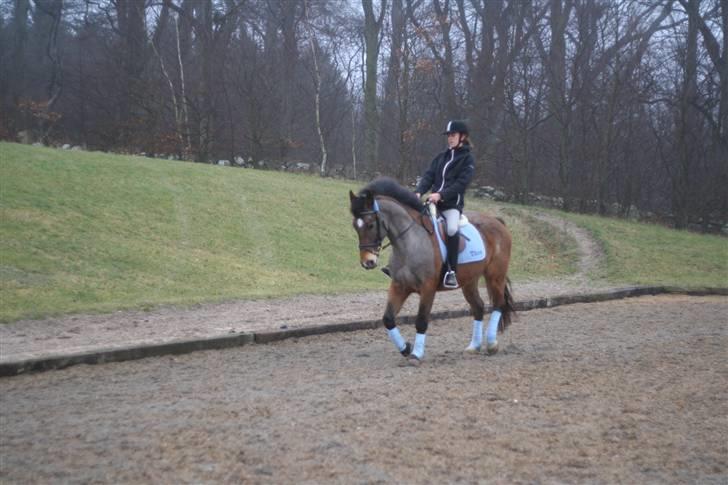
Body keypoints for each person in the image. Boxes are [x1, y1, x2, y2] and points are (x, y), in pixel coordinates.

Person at [415, 120, 475, 289]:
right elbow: (428, 176)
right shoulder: (441, 157)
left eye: (453, 135)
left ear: (462, 137)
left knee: (451, 229)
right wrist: (419, 191)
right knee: (414, 223)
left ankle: (451, 271)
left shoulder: (467, 159)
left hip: (451, 206)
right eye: (448, 135)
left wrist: (440, 195)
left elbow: (461, 184)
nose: (450, 138)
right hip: (433, 204)